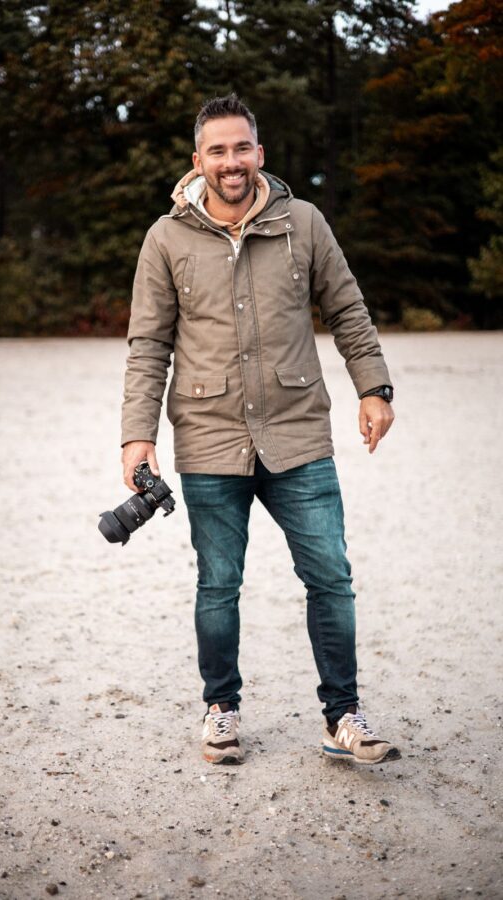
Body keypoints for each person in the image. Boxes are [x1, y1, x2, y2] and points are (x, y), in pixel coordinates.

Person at [120, 93, 401, 766]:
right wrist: (137, 433)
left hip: (298, 432)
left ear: (260, 154)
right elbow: (148, 343)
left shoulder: (303, 222)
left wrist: (375, 386)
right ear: (199, 161)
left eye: (241, 148)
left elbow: (348, 307)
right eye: (217, 151)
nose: (231, 162)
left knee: (330, 575)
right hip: (210, 436)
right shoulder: (166, 238)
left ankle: (343, 717)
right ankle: (221, 709)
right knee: (219, 584)